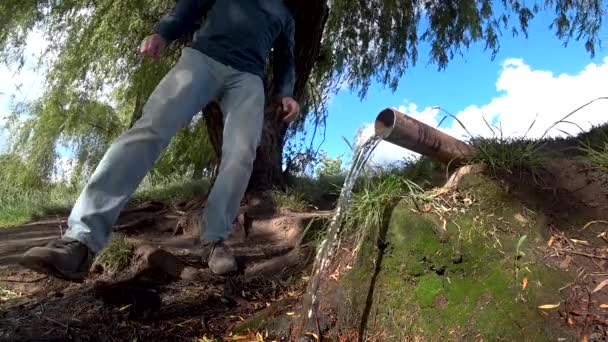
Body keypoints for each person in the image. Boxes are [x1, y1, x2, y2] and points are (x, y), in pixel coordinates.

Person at [19, 0, 300, 281]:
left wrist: (286, 92)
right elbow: (191, 7)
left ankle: (214, 240)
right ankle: (81, 240)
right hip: (203, 59)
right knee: (150, 130)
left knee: (241, 154)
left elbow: (286, 57)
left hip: (248, 78)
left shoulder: (285, 15)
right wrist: (163, 33)